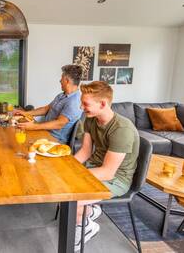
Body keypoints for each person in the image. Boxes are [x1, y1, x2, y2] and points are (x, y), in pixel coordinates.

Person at [73, 81, 139, 250]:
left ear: (102, 104)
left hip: (117, 179)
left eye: (85, 104)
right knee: (61, 189)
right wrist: (67, 167)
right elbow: (85, 152)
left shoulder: (121, 129)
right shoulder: (90, 120)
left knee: (73, 199)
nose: (81, 107)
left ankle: (88, 227)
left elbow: (108, 172)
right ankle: (90, 212)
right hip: (94, 168)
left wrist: (72, 175)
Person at [15, 64, 83, 144]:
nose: (60, 81)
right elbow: (46, 109)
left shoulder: (74, 102)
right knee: (17, 133)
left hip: (54, 139)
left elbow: (59, 124)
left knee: (19, 140)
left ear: (67, 81)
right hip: (45, 132)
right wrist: (25, 113)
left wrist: (34, 126)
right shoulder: (62, 95)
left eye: (61, 78)